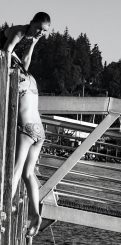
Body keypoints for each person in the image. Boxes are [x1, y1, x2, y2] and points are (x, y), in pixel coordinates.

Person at [0, 12, 51, 237]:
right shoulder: (31, 80)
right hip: (40, 131)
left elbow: (9, 58)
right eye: (40, 28)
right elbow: (8, 51)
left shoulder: (17, 79)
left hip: (27, 130)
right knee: (29, 174)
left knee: (16, 170)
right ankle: (35, 211)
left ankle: (2, 209)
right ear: (33, 23)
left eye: (44, 31)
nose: (41, 33)